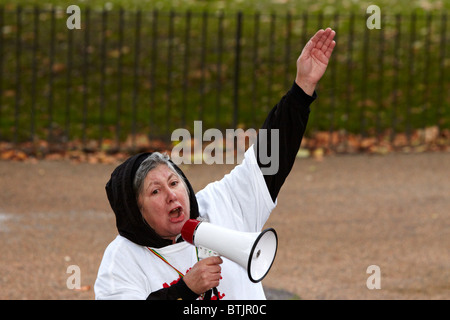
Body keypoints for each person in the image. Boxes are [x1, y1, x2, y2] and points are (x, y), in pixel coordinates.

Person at [94, 28, 336, 300]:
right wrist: (185, 290)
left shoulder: (220, 204)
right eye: (155, 191)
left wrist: (302, 89)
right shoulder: (121, 261)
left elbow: (270, 158)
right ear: (135, 211)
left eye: (174, 183)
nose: (172, 194)